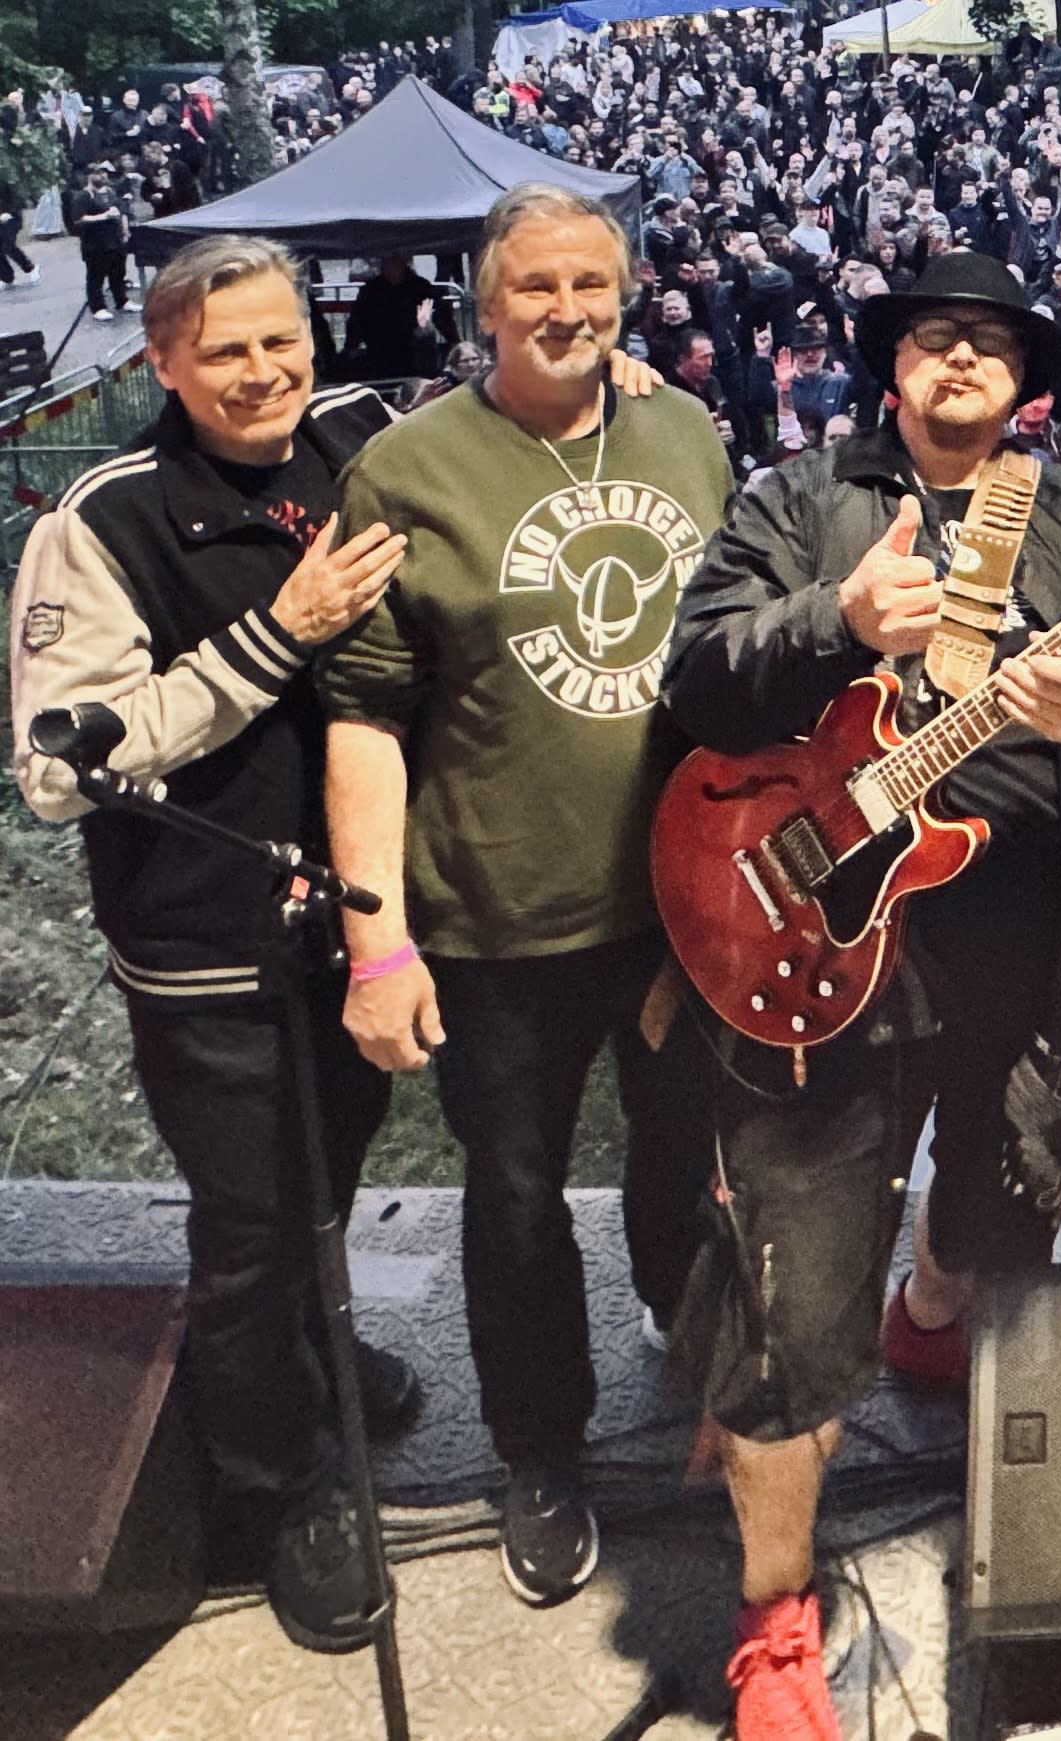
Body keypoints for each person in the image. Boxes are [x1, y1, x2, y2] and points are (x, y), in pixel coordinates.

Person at [661, 248, 1061, 1741]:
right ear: (890, 365)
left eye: (989, 342)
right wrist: (835, 621)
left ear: (1024, 380)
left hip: (1032, 959)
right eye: (930, 337)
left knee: (999, 1228)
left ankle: (935, 1323)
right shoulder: (797, 502)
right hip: (820, 957)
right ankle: (775, 1618)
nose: (959, 359)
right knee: (793, 1303)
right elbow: (696, 676)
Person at [318, 185, 727, 1609]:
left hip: (678, 903)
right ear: (484, 303)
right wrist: (377, 938)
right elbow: (363, 719)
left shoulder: (684, 432)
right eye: (537, 286)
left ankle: (690, 1341)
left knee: (687, 1156)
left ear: (628, 295)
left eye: (592, 284)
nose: (567, 310)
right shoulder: (408, 470)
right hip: (493, 917)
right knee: (513, 1199)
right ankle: (539, 1449)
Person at [8, 235, 417, 1656]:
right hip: (208, 944)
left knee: (327, 1177)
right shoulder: (100, 521)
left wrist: (608, 379)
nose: (262, 372)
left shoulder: (361, 435)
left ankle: (305, 1356)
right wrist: (274, 634)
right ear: (163, 362)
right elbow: (56, 771)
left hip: (352, 915)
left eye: (279, 339)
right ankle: (279, 1482)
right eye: (224, 350)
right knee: (250, 1224)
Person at [68, 161, 131, 320]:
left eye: (104, 173)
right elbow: (78, 219)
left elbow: (121, 211)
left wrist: (125, 229)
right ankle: (97, 307)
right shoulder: (83, 196)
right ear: (89, 176)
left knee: (118, 273)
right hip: (95, 244)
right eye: (98, 173)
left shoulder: (111, 192)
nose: (102, 176)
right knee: (96, 277)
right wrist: (103, 216)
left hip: (115, 240)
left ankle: (122, 300)